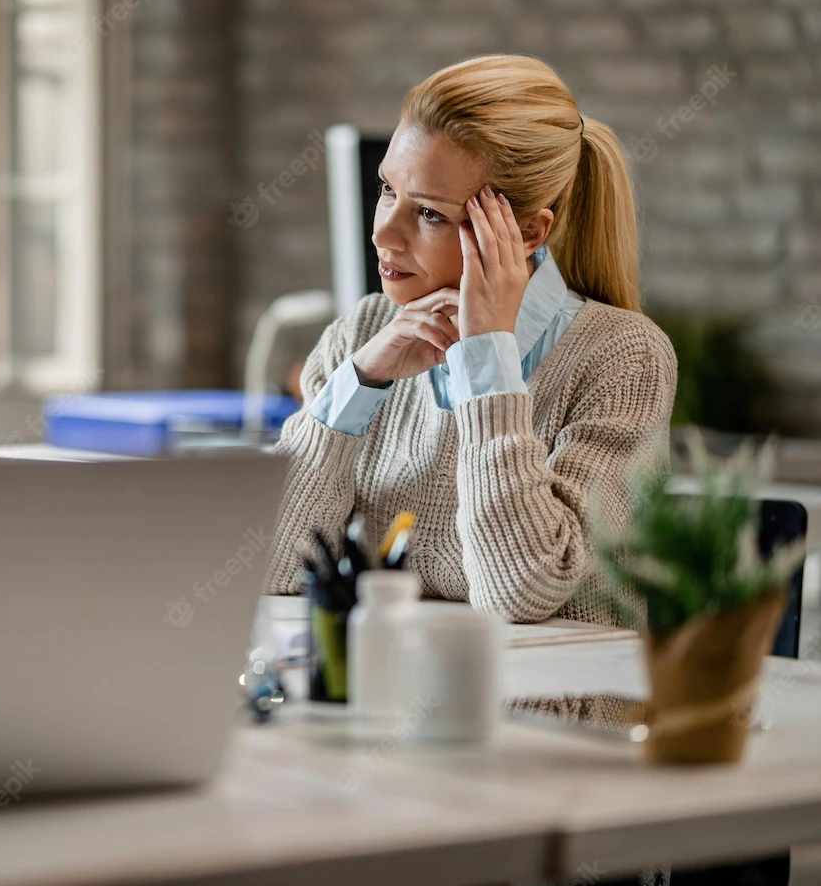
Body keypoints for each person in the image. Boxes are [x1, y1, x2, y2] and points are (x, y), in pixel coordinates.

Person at [265, 54, 678, 628]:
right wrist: (358, 385)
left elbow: (520, 594)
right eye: (388, 189)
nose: (382, 230)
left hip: (544, 713)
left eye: (430, 213)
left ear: (528, 231)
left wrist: (488, 361)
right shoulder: (362, 333)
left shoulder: (623, 357)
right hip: (393, 700)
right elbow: (276, 568)